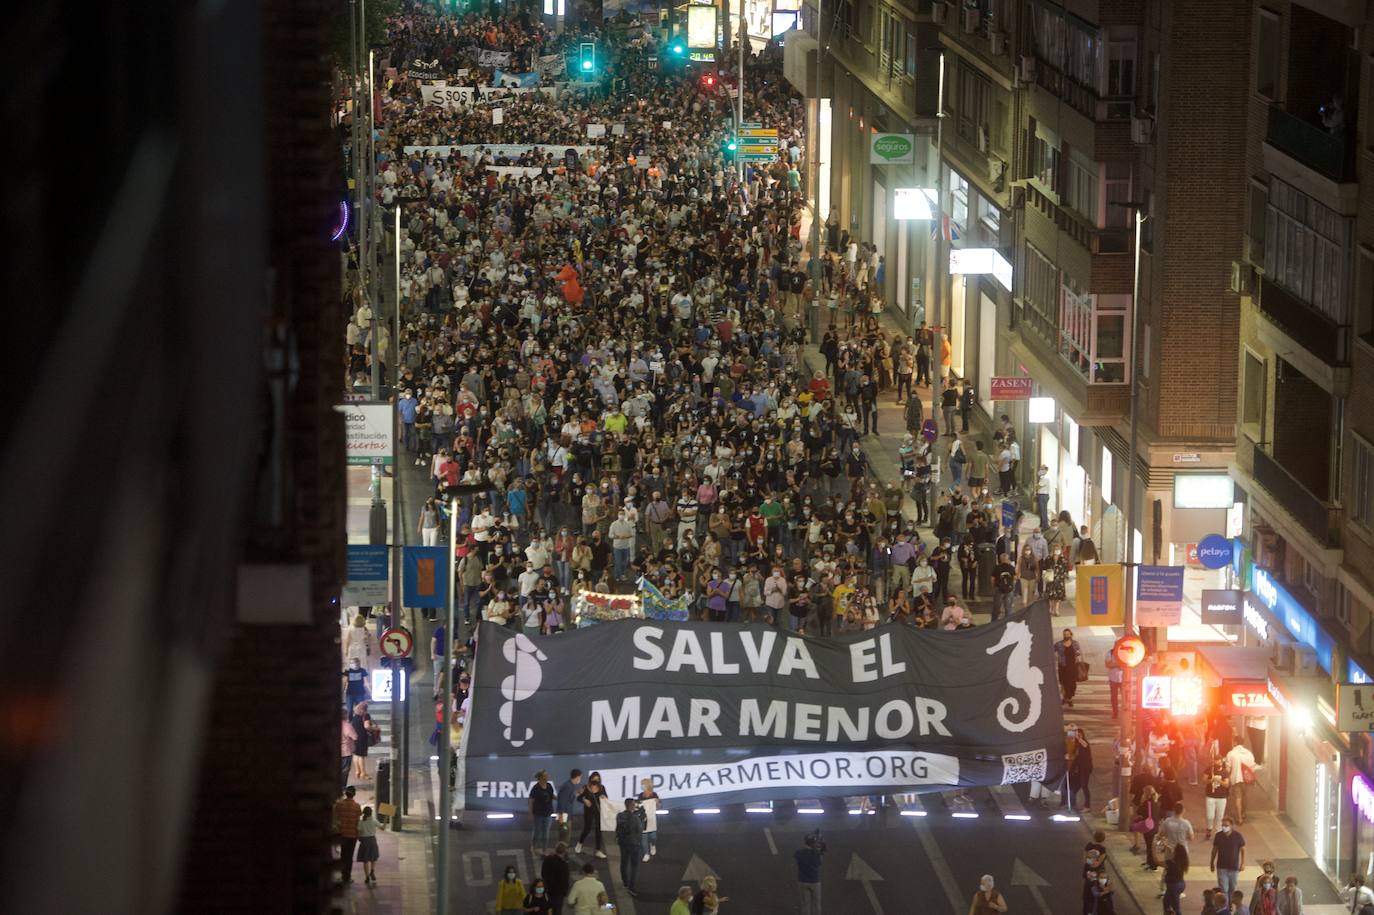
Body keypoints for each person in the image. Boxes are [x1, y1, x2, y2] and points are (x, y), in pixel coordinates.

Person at [1210, 817, 1246, 902]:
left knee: (1232, 888)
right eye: (1223, 825)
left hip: (1234, 868)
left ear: (1231, 826)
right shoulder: (1218, 836)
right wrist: (1212, 862)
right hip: (1222, 867)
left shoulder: (1238, 836)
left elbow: (1243, 849)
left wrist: (1243, 863)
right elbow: (1214, 850)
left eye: (1226, 825)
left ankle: (1230, 904)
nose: (1224, 827)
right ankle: (1225, 906)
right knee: (1224, 889)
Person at [614, 797, 644, 896]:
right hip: (634, 844)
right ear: (633, 806)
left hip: (623, 843)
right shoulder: (635, 818)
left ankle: (625, 882)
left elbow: (618, 828)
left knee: (624, 862)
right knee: (634, 866)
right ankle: (631, 887)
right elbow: (640, 830)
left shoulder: (620, 816)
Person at [333, 785, 362, 884]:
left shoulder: (339, 805)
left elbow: (336, 817)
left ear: (345, 794)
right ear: (354, 794)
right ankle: (347, 877)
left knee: (343, 854)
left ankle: (342, 875)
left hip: (342, 833)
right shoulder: (357, 806)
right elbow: (358, 821)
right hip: (352, 835)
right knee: (349, 856)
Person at [575, 771, 607, 858]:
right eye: (594, 779)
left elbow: (606, 798)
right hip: (588, 811)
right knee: (587, 828)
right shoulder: (585, 787)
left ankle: (598, 850)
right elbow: (578, 797)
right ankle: (580, 843)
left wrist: (604, 798)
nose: (595, 781)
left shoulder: (601, 788)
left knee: (598, 830)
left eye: (597, 780)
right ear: (590, 779)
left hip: (598, 811)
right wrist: (584, 800)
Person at [1225, 738, 1257, 825]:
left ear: (1235, 742)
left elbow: (1228, 768)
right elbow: (1252, 767)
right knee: (1244, 796)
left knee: (1238, 798)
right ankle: (1243, 813)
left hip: (1236, 779)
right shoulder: (1249, 753)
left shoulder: (1231, 754)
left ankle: (1239, 818)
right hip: (1246, 780)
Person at [794, 831, 824, 915]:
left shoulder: (798, 852)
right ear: (813, 843)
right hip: (815, 881)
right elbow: (820, 863)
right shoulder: (816, 854)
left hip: (802, 881)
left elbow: (797, 859)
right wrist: (820, 852)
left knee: (805, 904)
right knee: (816, 904)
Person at [529, 769, 555, 856]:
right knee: (537, 832)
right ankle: (533, 846)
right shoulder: (535, 788)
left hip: (548, 813)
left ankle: (544, 849)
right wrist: (531, 813)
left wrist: (561, 798)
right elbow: (530, 800)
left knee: (546, 832)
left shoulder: (549, 786)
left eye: (547, 775)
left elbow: (552, 796)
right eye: (545, 776)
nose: (547, 777)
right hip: (538, 814)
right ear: (540, 777)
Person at [1055, 629, 1083, 707]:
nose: (1066, 636)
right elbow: (1051, 651)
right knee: (1064, 684)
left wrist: (1080, 661)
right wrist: (1056, 658)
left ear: (1071, 634)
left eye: (1067, 634)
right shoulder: (1059, 644)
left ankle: (1068, 697)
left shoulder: (1075, 643)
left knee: (1072, 685)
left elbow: (1078, 654)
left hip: (1072, 667)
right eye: (1064, 634)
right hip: (1063, 667)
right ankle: (1067, 699)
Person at [541, 844, 572, 915]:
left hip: (547, 890)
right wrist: (565, 892)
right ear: (564, 852)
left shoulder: (547, 860)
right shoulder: (564, 865)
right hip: (558, 894)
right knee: (557, 911)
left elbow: (543, 873)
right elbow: (565, 881)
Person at [636, 777, 661, 862]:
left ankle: (653, 845)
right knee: (644, 837)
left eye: (643, 784)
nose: (642, 786)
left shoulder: (654, 795)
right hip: (643, 819)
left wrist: (657, 803)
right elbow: (638, 806)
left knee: (653, 836)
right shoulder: (640, 795)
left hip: (652, 818)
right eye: (641, 784)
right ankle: (646, 853)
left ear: (648, 785)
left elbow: (658, 807)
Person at [556, 769, 583, 846]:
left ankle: (561, 853)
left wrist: (577, 793)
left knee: (564, 836)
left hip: (567, 815)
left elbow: (569, 798)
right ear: (577, 777)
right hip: (564, 816)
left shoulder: (570, 785)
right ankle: (561, 854)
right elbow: (562, 801)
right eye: (580, 777)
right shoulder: (567, 786)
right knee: (564, 837)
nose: (580, 779)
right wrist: (561, 815)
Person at [356, 805, 380, 885]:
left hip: (364, 841)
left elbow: (359, 833)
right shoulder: (374, 820)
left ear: (363, 813)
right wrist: (386, 818)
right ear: (371, 813)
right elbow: (383, 828)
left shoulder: (361, 821)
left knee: (365, 860)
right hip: (372, 840)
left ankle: (367, 877)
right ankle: (372, 871)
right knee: (373, 857)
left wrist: (359, 838)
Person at [1162, 841, 1188, 914]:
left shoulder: (1170, 863)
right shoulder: (1182, 860)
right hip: (1180, 884)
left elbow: (1156, 861)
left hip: (1173, 886)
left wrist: (1153, 848)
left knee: (1176, 907)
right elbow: (1172, 851)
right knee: (1166, 901)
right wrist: (1167, 847)